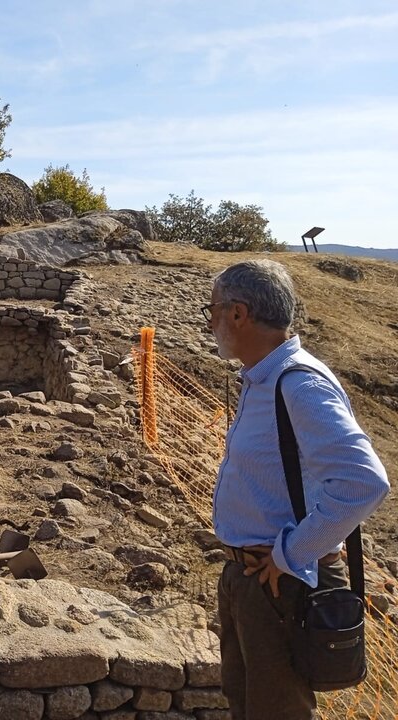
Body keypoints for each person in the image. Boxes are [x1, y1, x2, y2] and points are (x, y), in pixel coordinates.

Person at [207, 260, 389, 720]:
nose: (209, 322)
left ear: (238, 314)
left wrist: (290, 555)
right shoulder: (264, 377)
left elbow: (363, 481)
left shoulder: (299, 382)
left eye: (212, 310)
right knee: (246, 705)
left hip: (281, 584)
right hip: (254, 578)